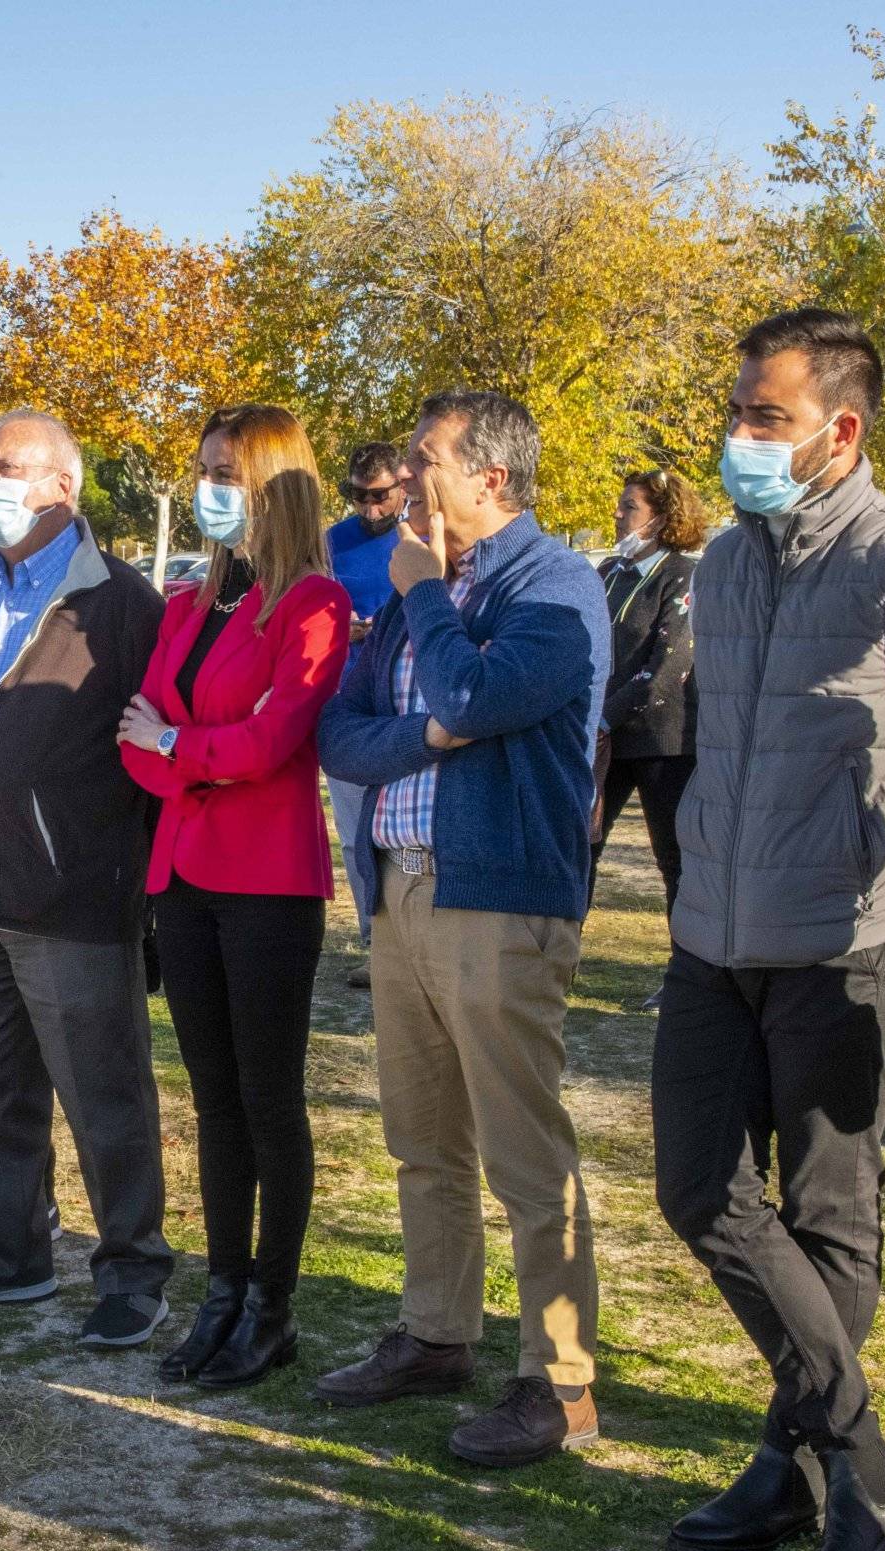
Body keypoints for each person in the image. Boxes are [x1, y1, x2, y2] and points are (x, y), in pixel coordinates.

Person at [653, 309, 885, 1551]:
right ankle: (858, 1451)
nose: (740, 437)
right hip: (718, 930)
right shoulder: (729, 564)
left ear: (840, 431)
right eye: (737, 410)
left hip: (853, 938)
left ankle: (793, 1462)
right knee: (698, 1185)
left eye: (767, 417)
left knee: (826, 1209)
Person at [313, 390, 612, 1468]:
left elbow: (479, 695)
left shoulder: (555, 585)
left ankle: (560, 1380)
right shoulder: (410, 588)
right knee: (420, 1140)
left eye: (425, 458)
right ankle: (438, 1333)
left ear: (492, 479)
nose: (403, 478)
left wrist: (431, 609)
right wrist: (428, 733)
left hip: (497, 900)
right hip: (400, 889)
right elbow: (340, 735)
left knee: (522, 1150)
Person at [0, 409, 173, 1348]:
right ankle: (6, 1255)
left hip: (70, 895)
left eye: (9, 464)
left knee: (103, 1094)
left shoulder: (126, 604)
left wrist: (120, 873)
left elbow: (148, 754)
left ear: (63, 485)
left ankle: (135, 1270)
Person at [117, 405, 352, 1388]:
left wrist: (181, 745)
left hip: (267, 886)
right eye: (205, 468)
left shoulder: (315, 606)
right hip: (183, 877)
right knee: (211, 1103)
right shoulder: (183, 607)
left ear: (272, 485)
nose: (212, 488)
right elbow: (135, 743)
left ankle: (272, 1307)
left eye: (229, 473)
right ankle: (221, 1293)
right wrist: (191, 755)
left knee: (268, 1101)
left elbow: (273, 741)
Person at [590, 469, 704, 960]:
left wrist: (603, 717)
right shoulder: (609, 573)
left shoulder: (685, 576)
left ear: (662, 518)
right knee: (581, 843)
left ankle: (688, 968)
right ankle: (555, 957)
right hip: (605, 740)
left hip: (665, 742)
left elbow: (669, 666)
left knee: (674, 858)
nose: (617, 514)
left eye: (629, 506)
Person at [324, 441, 408, 985]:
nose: (370, 509)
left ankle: (413, 942)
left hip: (406, 703)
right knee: (356, 833)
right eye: (358, 497)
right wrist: (341, 628)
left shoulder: (422, 535)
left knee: (407, 829)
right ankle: (376, 944)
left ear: (403, 485)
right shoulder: (331, 542)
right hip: (348, 701)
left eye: (379, 496)